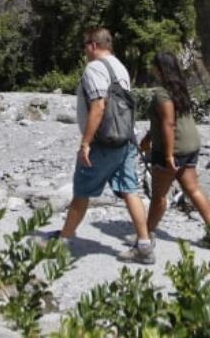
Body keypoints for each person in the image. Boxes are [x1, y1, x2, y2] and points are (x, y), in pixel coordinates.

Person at [48, 28, 155, 264]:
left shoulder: (94, 68)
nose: (84, 50)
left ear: (93, 45)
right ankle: (145, 245)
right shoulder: (120, 67)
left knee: (82, 192)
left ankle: (63, 240)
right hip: (125, 139)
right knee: (130, 190)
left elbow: (98, 106)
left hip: (102, 142)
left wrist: (85, 142)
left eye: (85, 45)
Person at [139, 51, 210, 237]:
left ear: (159, 69)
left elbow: (168, 123)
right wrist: (148, 139)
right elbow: (167, 120)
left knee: (159, 195)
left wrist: (167, 155)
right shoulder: (180, 88)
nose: (151, 69)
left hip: (174, 148)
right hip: (191, 144)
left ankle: (145, 236)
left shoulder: (161, 93)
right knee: (193, 189)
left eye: (153, 66)